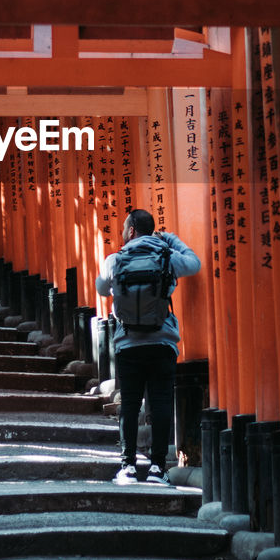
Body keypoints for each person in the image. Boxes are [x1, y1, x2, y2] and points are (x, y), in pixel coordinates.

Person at [96, 208, 201, 485]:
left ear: (131, 231)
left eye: (123, 228)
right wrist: (171, 241)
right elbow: (195, 263)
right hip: (162, 342)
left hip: (128, 344)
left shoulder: (115, 259)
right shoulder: (168, 257)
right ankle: (158, 469)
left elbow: (101, 289)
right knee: (162, 402)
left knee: (130, 404)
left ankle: (127, 467)